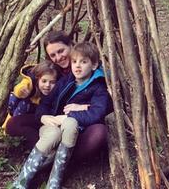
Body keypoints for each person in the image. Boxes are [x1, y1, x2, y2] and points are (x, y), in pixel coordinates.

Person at [12, 42, 112, 189]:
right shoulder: (66, 81)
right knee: (51, 134)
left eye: (83, 62)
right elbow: (45, 103)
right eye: (75, 62)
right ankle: (23, 180)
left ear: (94, 64)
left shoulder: (98, 86)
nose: (78, 66)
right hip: (54, 127)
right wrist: (43, 117)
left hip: (76, 131)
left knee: (71, 124)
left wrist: (70, 115)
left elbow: (98, 112)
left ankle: (55, 179)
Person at [2, 61, 59, 130]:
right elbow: (19, 89)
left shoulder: (55, 92)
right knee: (16, 99)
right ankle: (8, 124)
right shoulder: (30, 82)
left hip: (37, 114)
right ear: (38, 79)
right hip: (22, 110)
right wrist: (22, 90)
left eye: (52, 82)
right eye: (44, 81)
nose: (47, 85)